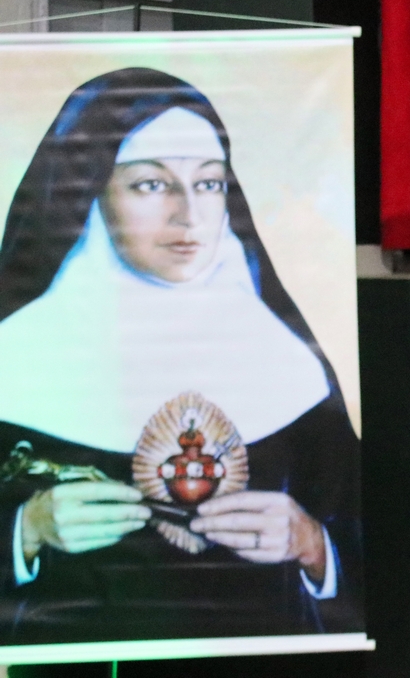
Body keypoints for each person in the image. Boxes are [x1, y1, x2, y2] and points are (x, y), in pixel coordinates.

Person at [0, 67, 362, 643]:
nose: (188, 214)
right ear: (90, 190)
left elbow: (359, 530)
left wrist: (312, 544)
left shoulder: (287, 361)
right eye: (151, 184)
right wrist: (26, 529)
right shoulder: (16, 358)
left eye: (209, 183)